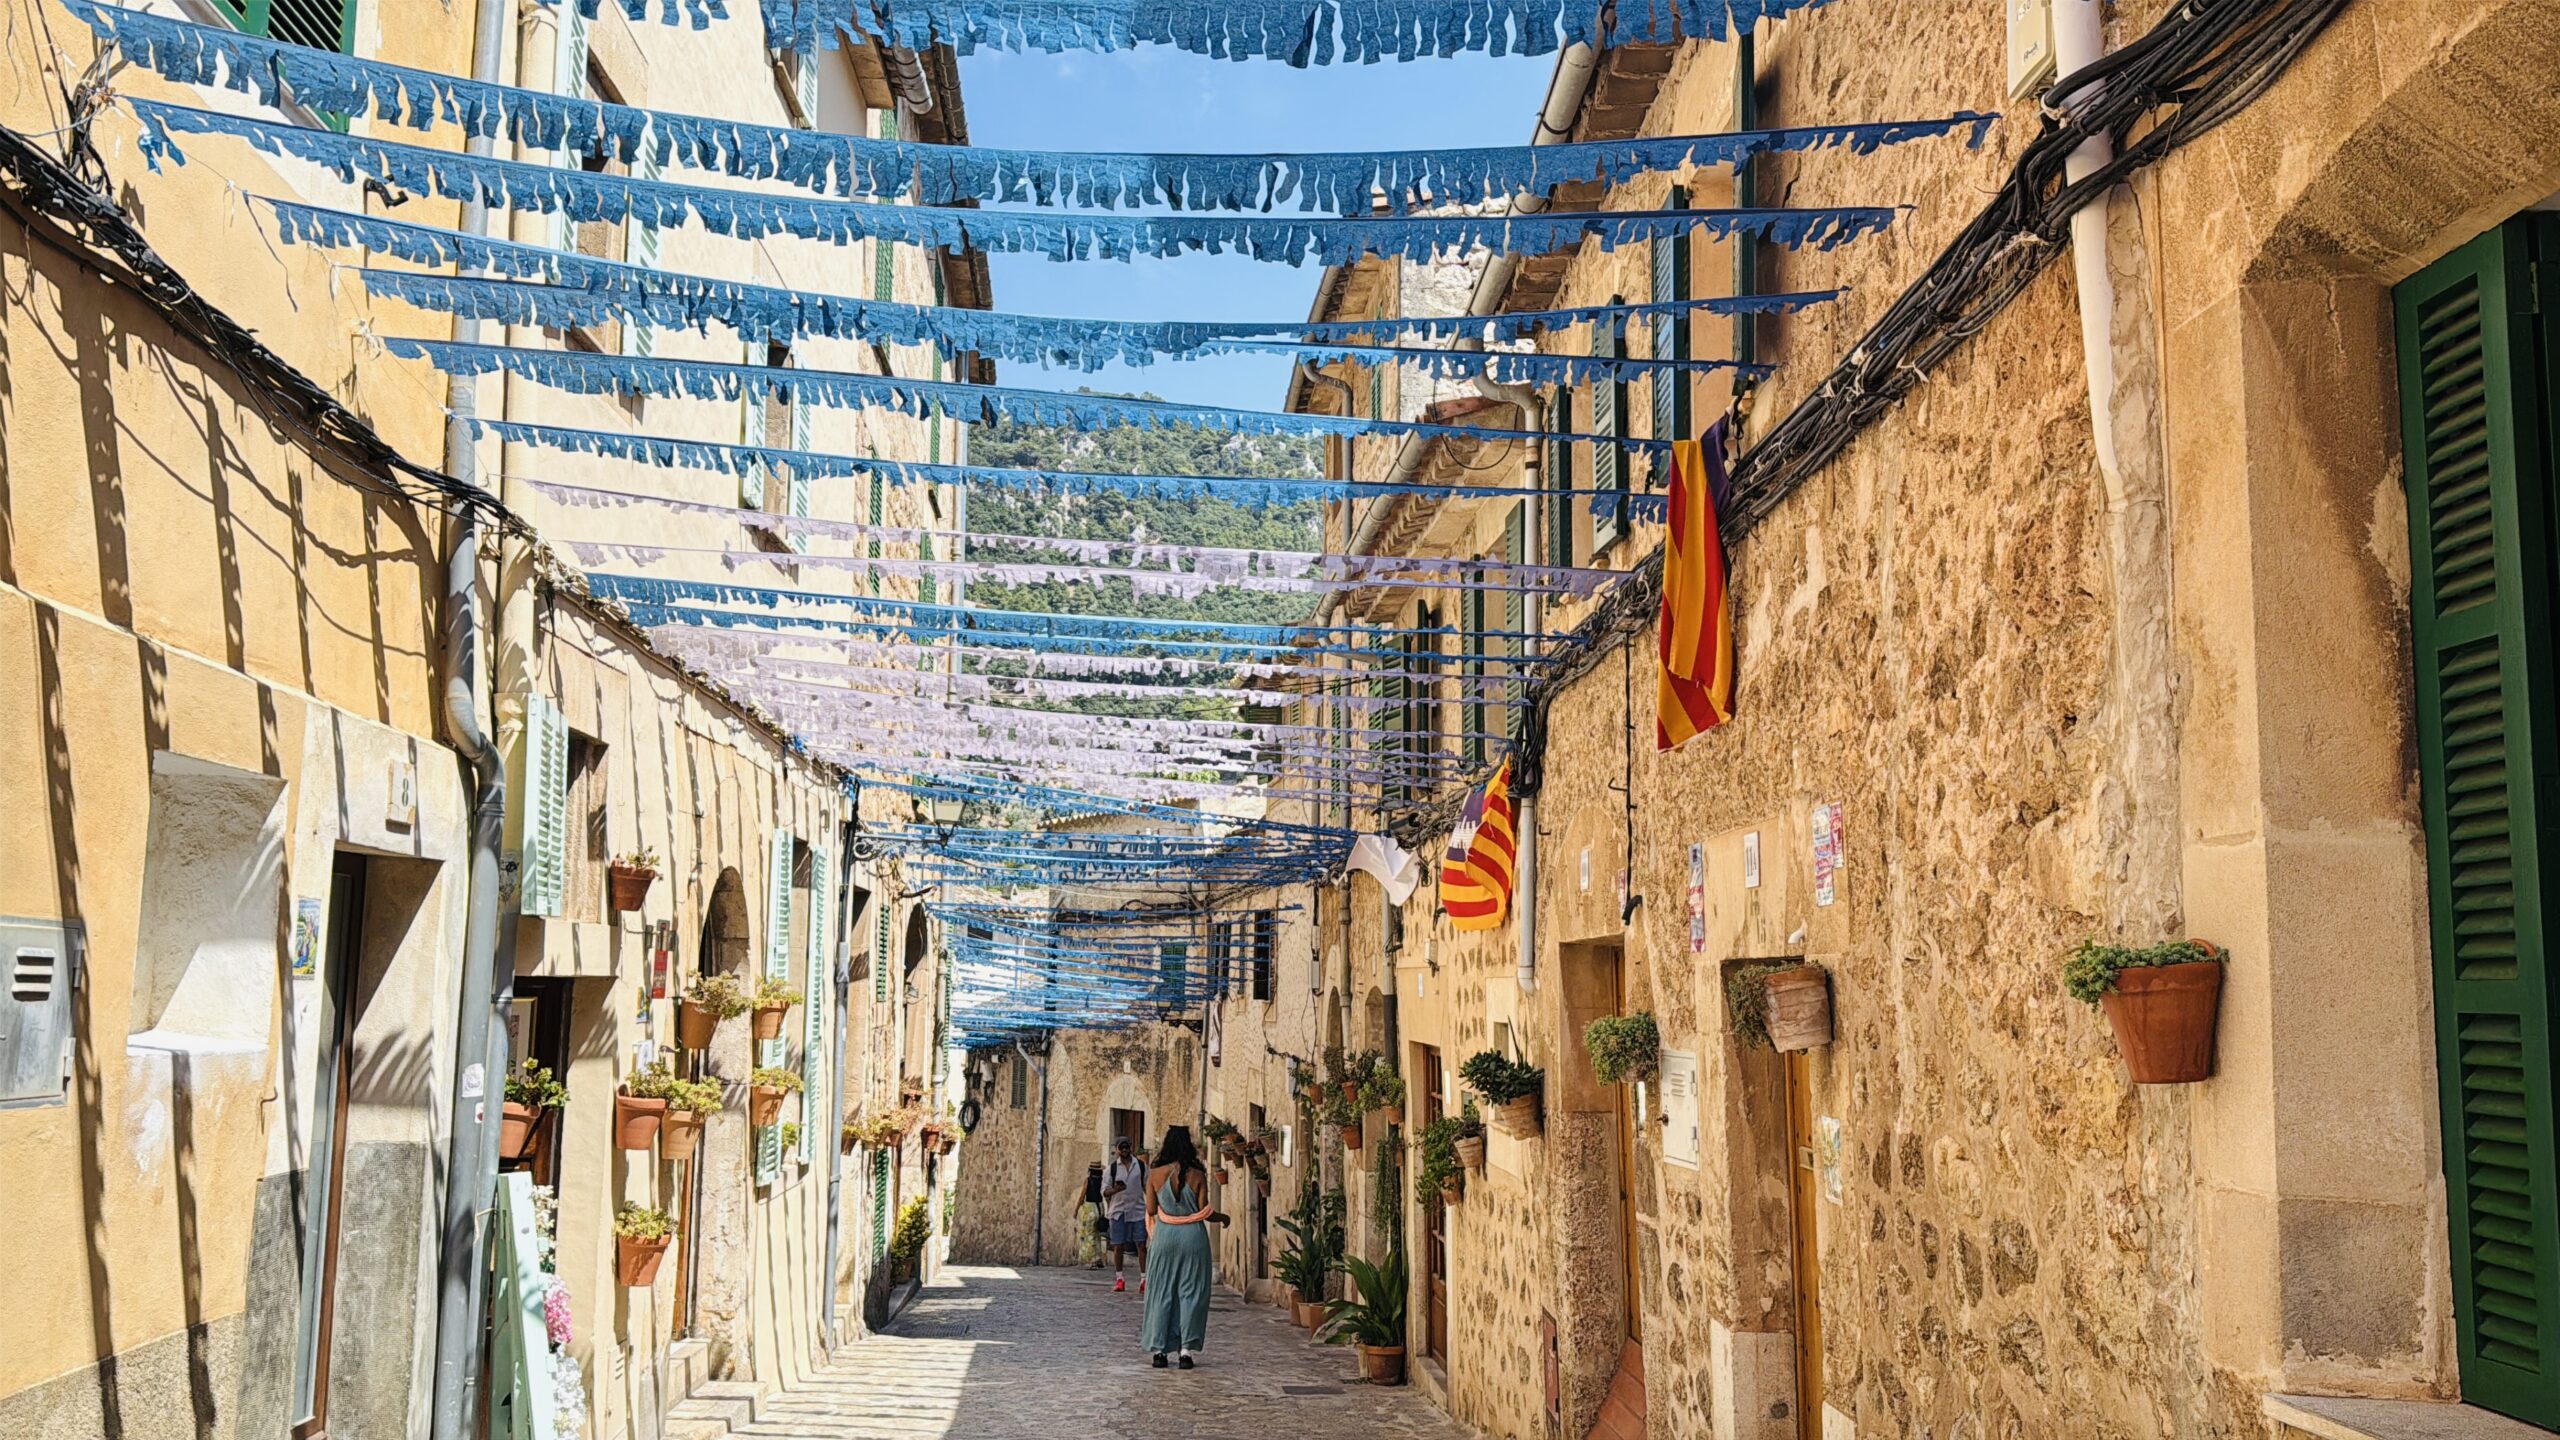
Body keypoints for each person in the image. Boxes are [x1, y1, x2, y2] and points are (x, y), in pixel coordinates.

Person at [1142, 1125, 1215, 1369]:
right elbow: (1204, 1211)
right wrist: (1223, 1218)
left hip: (1165, 1236)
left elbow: (1151, 1210)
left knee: (1161, 1291)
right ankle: (1185, 1352)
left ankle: (1160, 1351)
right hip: (1193, 1237)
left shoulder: (1154, 1174)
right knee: (1191, 1293)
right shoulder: (1198, 1175)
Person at [1102, 1135, 1149, 1293]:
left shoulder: (1141, 1166)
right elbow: (1105, 1191)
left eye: (1126, 1147)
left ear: (1131, 1147)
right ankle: (1120, 1279)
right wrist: (1116, 1189)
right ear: (1117, 1149)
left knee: (1141, 1245)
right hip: (1118, 1211)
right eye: (1121, 1147)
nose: (1124, 1150)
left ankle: (1144, 1280)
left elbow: (1147, 1187)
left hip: (1138, 1210)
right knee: (1118, 1245)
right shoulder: (1112, 1169)